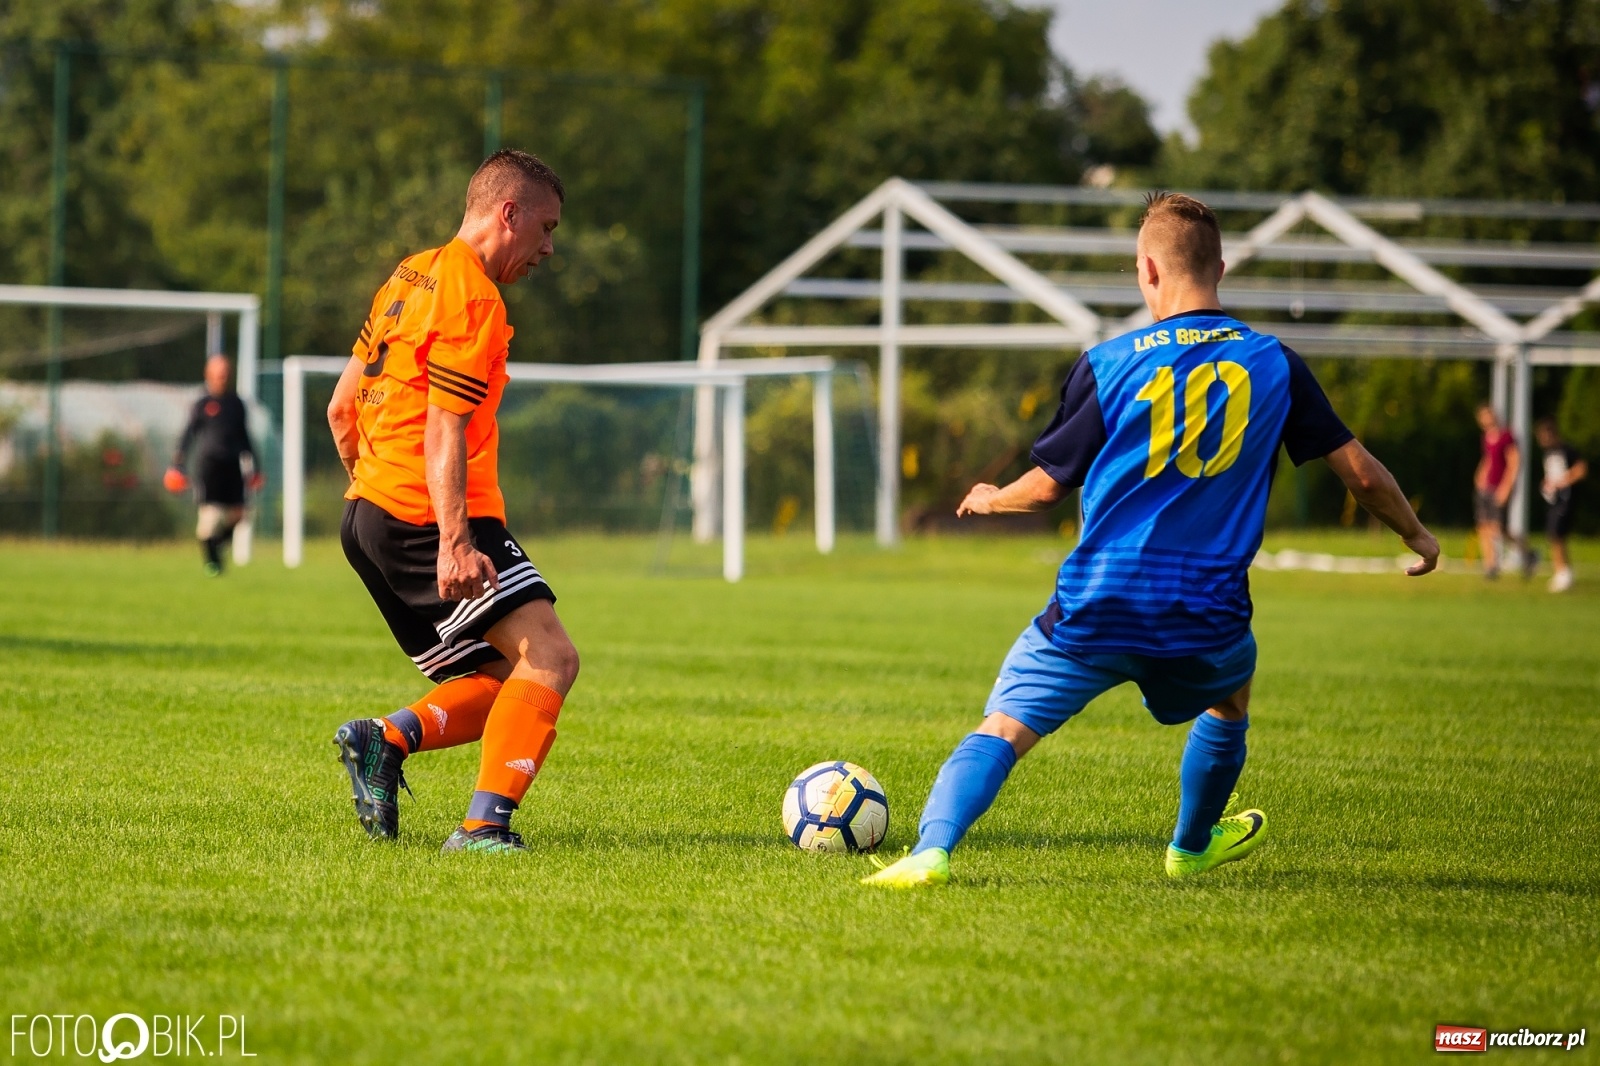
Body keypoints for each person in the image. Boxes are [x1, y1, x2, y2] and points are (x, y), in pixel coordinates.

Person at [864, 192, 1439, 890]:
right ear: (1220, 267)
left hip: (1098, 601)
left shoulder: (1108, 363)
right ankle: (1191, 845)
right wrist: (1416, 534)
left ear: (1147, 271)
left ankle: (932, 851)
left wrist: (991, 497)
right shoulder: (1274, 363)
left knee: (1005, 727)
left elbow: (1048, 485)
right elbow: (1363, 477)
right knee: (1230, 698)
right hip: (1204, 611)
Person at [328, 149, 580, 855]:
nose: (549, 248)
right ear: (509, 213)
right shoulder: (473, 296)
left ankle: (385, 740)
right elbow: (445, 426)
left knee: (501, 676)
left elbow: (341, 409)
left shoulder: (410, 273)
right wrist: (452, 541)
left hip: (368, 515)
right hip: (425, 515)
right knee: (551, 657)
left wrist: (374, 489)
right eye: (547, 227)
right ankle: (482, 827)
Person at [165, 354, 262, 576]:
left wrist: (256, 466)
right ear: (208, 376)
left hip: (233, 466)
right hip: (209, 467)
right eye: (218, 374)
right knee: (210, 517)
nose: (222, 378)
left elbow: (245, 436)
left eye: (226, 374)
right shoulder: (202, 405)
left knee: (240, 514)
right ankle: (212, 563)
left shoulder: (236, 404)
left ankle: (216, 543)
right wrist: (176, 464)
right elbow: (187, 435)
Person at [1473, 403, 1531, 579]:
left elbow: (1514, 462)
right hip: (1486, 488)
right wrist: (1480, 476)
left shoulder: (1507, 436)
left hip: (1500, 487)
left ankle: (1527, 553)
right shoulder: (1486, 437)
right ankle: (1491, 566)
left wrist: (1506, 488)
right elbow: (1488, 459)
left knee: (1498, 528)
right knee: (1483, 526)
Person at [1536, 418, 1587, 593]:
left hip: (1565, 500)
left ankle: (1563, 572)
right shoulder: (1548, 453)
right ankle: (1563, 571)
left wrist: (1564, 480)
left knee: (1556, 534)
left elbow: (1581, 469)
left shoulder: (1566, 450)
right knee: (1553, 534)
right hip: (1553, 500)